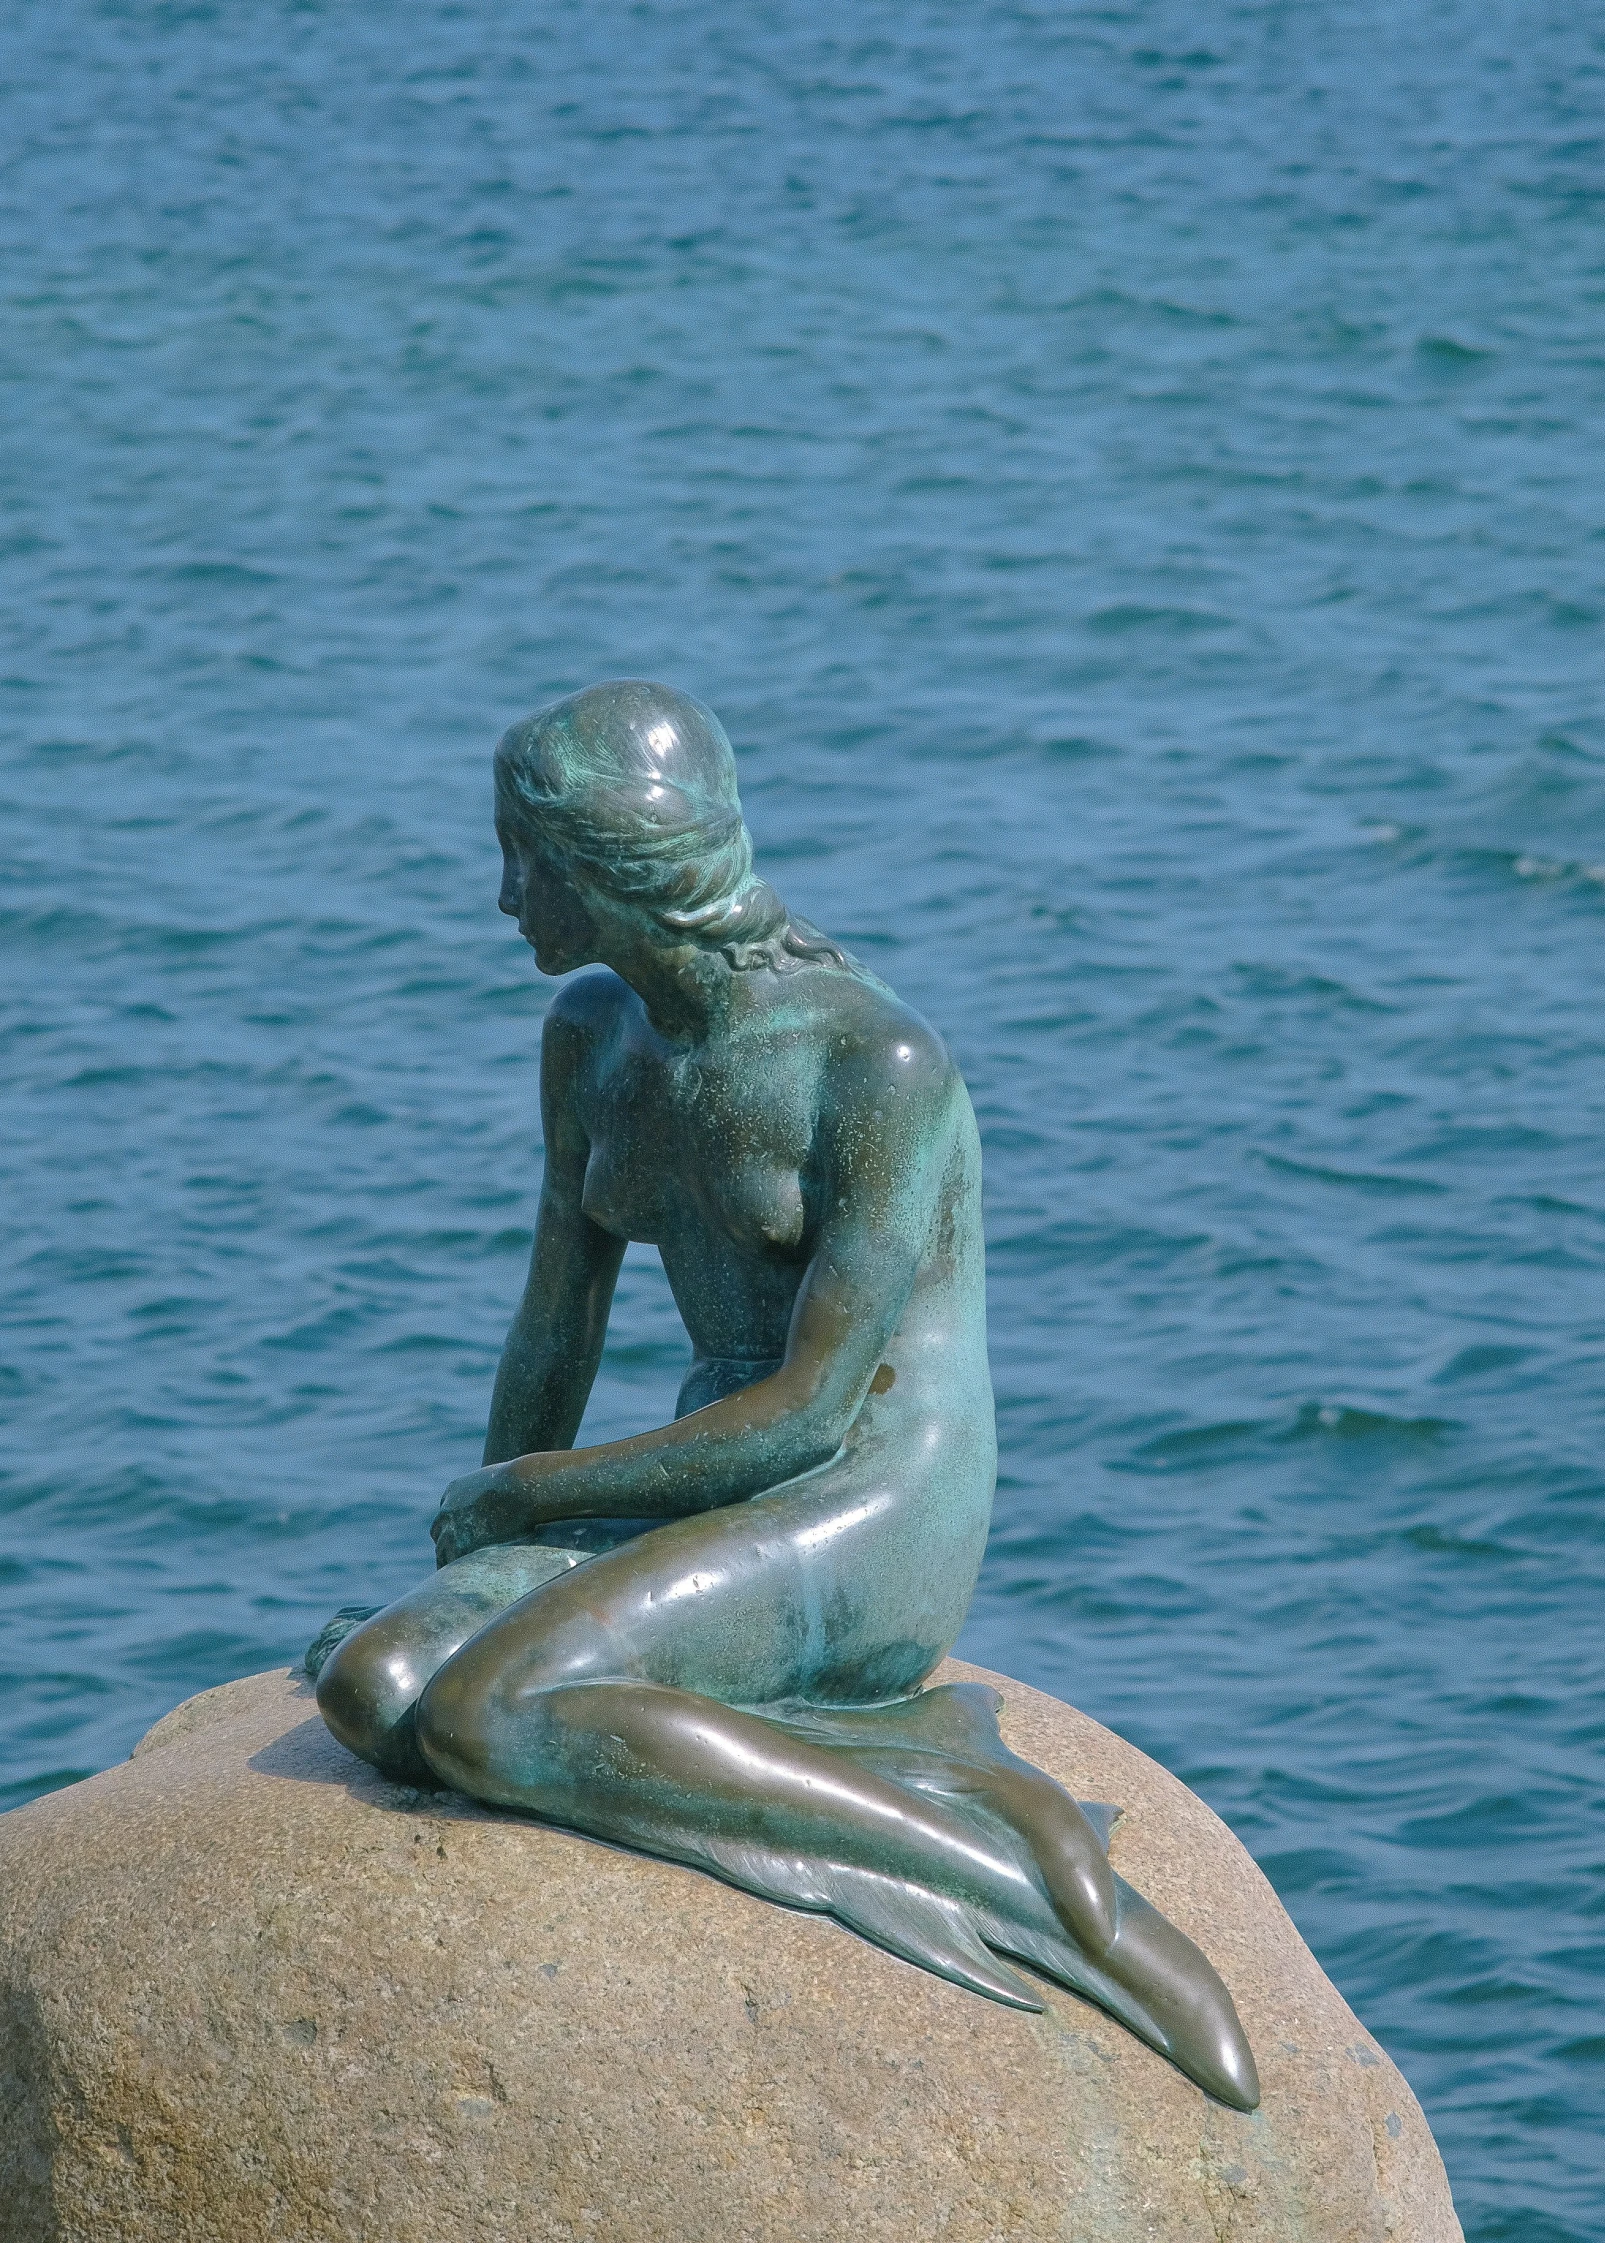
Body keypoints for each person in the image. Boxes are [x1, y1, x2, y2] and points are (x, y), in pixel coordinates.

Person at [315, 679, 1258, 2110]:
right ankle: (784, 1741)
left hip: (863, 1499)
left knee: (489, 1715)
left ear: (614, 864)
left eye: (527, 856)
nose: (505, 894)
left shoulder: (869, 1064)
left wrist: (526, 1499)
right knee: (377, 1682)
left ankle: (1011, 1863)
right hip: (706, 1473)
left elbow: (814, 1413)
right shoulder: (590, 1034)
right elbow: (555, 1318)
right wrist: (480, 1542)